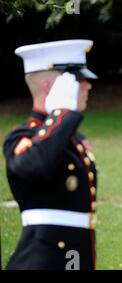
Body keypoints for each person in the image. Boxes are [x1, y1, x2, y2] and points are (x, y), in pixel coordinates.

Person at [3, 39, 98, 270]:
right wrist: (62, 114)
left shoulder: (71, 136)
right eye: (77, 79)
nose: (87, 86)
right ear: (48, 86)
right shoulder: (22, 137)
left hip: (74, 253)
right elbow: (37, 165)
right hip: (42, 258)